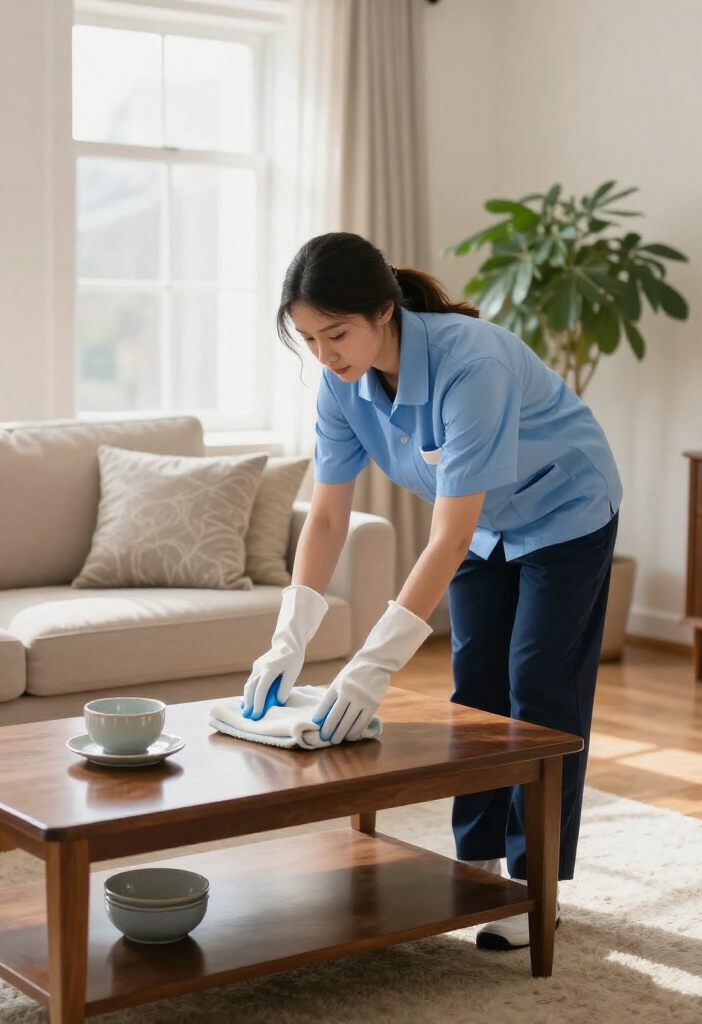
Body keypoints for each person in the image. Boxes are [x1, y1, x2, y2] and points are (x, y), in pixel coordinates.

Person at [241, 231, 622, 951]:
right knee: (476, 692)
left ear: (384, 311)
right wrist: (289, 636)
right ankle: (476, 864)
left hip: (564, 511)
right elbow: (326, 516)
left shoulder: (468, 364)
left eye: (336, 333)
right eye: (308, 339)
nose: (325, 356)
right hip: (485, 530)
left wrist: (373, 664)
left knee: (539, 690)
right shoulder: (341, 386)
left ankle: (536, 886)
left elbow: (445, 535)